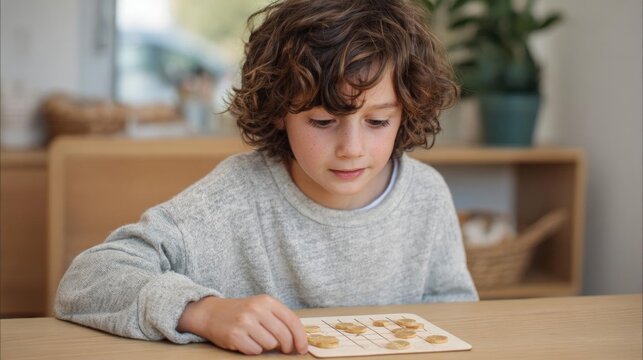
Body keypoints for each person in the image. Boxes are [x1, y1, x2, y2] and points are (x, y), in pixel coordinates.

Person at [54, 0, 478, 356]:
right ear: (280, 110)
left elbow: (458, 312)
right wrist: (202, 311)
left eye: (378, 120)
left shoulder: (426, 194)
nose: (352, 147)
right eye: (324, 121)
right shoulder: (232, 199)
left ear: (406, 110)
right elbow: (86, 280)